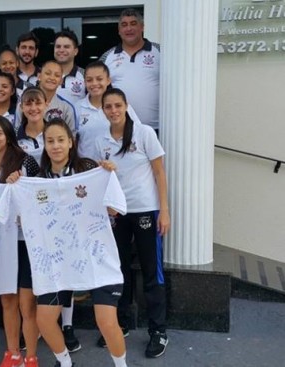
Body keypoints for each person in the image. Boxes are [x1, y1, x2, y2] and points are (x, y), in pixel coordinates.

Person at [36, 118, 128, 367]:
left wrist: (108, 176)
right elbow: (24, 219)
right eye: (50, 141)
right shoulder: (38, 179)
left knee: (107, 322)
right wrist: (15, 184)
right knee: (44, 320)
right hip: (59, 260)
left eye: (60, 140)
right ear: (44, 145)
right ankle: (65, 363)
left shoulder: (90, 169)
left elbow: (114, 210)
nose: (55, 146)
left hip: (96, 255)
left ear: (71, 143)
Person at [95, 88, 170, 358]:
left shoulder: (144, 133)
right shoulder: (101, 139)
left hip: (146, 210)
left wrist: (165, 210)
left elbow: (159, 172)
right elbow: (101, 178)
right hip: (117, 214)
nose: (113, 111)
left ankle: (158, 331)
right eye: (108, 107)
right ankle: (122, 322)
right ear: (103, 110)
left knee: (152, 271)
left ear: (126, 105)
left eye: (118, 105)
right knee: (120, 269)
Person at [16, 87, 82, 353]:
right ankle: (43, 329)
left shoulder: (76, 162)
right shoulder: (18, 140)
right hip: (41, 229)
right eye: (28, 104)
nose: (33, 108)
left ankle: (67, 326)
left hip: (69, 228)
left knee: (69, 277)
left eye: (38, 103)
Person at [0, 116, 40, 367]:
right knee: (7, 300)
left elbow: (40, 195)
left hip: (26, 242)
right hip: (0, 244)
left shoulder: (27, 163)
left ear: (8, 135)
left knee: (27, 303)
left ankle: (31, 357)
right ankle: (12, 354)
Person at [100, 9, 160, 135]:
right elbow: (97, 91)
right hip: (120, 129)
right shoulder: (107, 57)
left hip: (156, 128)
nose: (129, 29)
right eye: (124, 25)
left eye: (133, 23)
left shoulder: (160, 52)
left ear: (142, 27)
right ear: (119, 31)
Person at [74, 61, 142, 162]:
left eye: (99, 79)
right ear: (84, 82)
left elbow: (138, 133)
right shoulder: (77, 107)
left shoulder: (121, 106)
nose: (94, 83)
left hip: (118, 167)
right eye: (89, 80)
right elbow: (72, 140)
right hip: (87, 169)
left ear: (108, 80)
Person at [16, 61, 76, 135]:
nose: (52, 78)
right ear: (39, 76)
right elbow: (16, 132)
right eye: (48, 73)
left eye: (57, 75)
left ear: (61, 81)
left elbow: (71, 138)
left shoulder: (66, 108)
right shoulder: (24, 103)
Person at [53, 30, 86, 105]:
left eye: (66, 47)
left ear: (75, 51)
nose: (61, 50)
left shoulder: (85, 75)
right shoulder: (44, 75)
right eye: (58, 46)